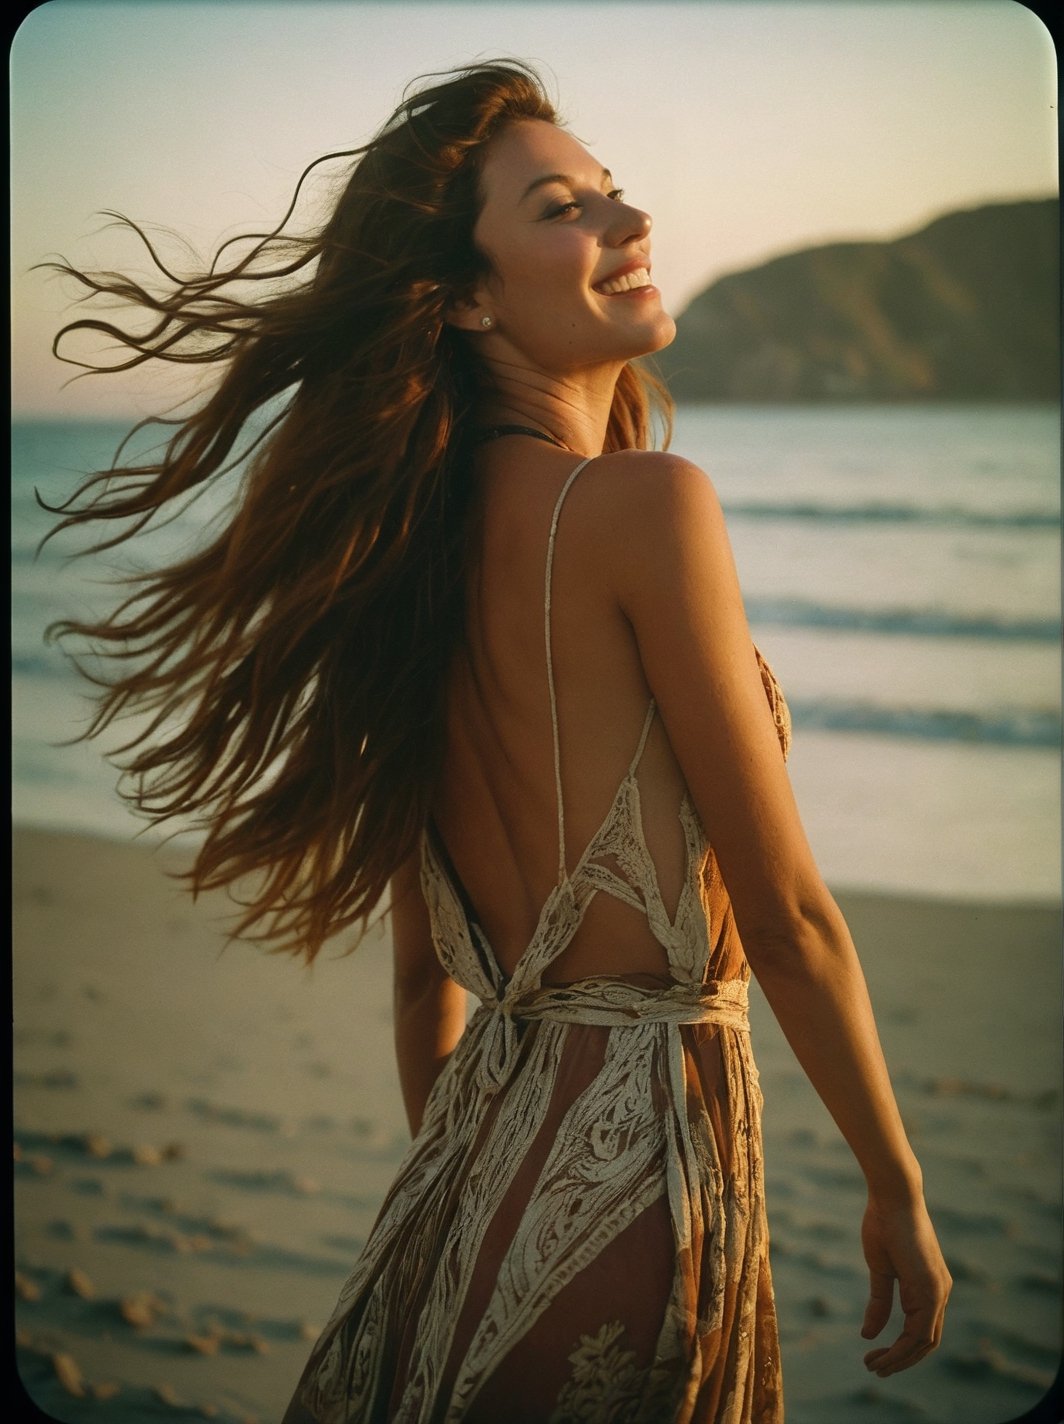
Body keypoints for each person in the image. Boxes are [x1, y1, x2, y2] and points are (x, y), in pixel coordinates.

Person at [46, 60, 950, 1424]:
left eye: (609, 191)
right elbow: (793, 924)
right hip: (636, 1200)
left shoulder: (398, 569)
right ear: (467, 298)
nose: (623, 222)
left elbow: (427, 991)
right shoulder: (649, 507)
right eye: (560, 209)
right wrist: (899, 1187)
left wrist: (489, 1189)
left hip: (454, 1192)